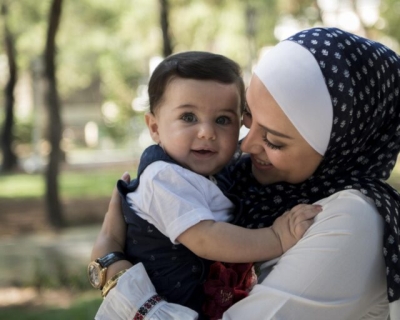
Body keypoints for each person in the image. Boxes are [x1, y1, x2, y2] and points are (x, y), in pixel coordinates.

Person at [92, 27, 400, 320]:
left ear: (340, 146)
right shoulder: (238, 182)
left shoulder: (352, 222)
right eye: (248, 119)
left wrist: (112, 271)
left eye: (274, 140)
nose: (246, 144)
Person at [90, 51, 320, 318]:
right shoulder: (163, 177)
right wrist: (276, 238)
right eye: (189, 117)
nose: (207, 132)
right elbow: (205, 237)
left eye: (223, 120)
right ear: (154, 127)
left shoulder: (219, 174)